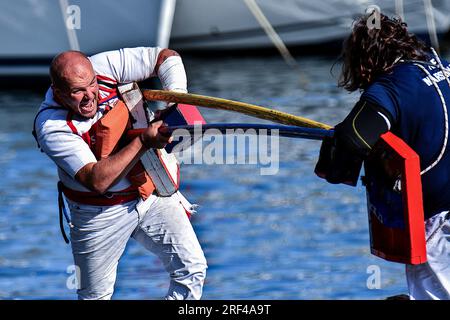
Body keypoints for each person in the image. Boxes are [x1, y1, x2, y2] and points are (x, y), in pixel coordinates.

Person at [33, 47, 207, 300]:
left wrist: (174, 100)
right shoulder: (51, 126)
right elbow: (97, 180)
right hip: (98, 215)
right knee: (96, 297)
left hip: (149, 194)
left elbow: (165, 57)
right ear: (58, 93)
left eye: (91, 84)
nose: (89, 95)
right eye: (77, 91)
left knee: (192, 269)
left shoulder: (103, 65)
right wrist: (144, 142)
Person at [315, 13, 450, 300]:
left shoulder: (390, 88)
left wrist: (336, 155)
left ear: (364, 59)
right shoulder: (443, 68)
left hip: (439, 225)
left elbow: (352, 139)